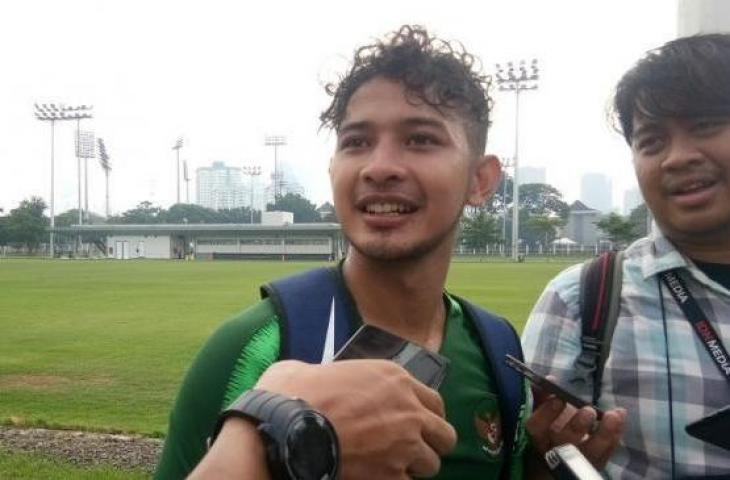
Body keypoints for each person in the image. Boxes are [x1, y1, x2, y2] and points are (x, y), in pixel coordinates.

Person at [156, 25, 624, 480]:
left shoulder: (498, 348)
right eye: (356, 142)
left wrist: (542, 471)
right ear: (333, 168)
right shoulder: (255, 346)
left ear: (480, 180)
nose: (379, 167)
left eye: (421, 139)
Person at [522, 33, 730, 479]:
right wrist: (547, 462)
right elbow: (526, 462)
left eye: (706, 126)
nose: (676, 157)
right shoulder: (581, 299)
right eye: (651, 141)